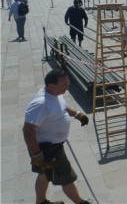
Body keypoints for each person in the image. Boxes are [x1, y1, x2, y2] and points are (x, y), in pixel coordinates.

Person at [22, 70, 91, 204]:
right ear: (51, 86)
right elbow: (28, 130)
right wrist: (37, 155)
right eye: (64, 84)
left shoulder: (56, 94)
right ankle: (80, 202)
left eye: (68, 83)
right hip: (48, 148)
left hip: (53, 146)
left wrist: (77, 114)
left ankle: (41, 202)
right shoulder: (41, 104)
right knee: (66, 177)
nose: (67, 86)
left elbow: (63, 107)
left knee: (44, 175)